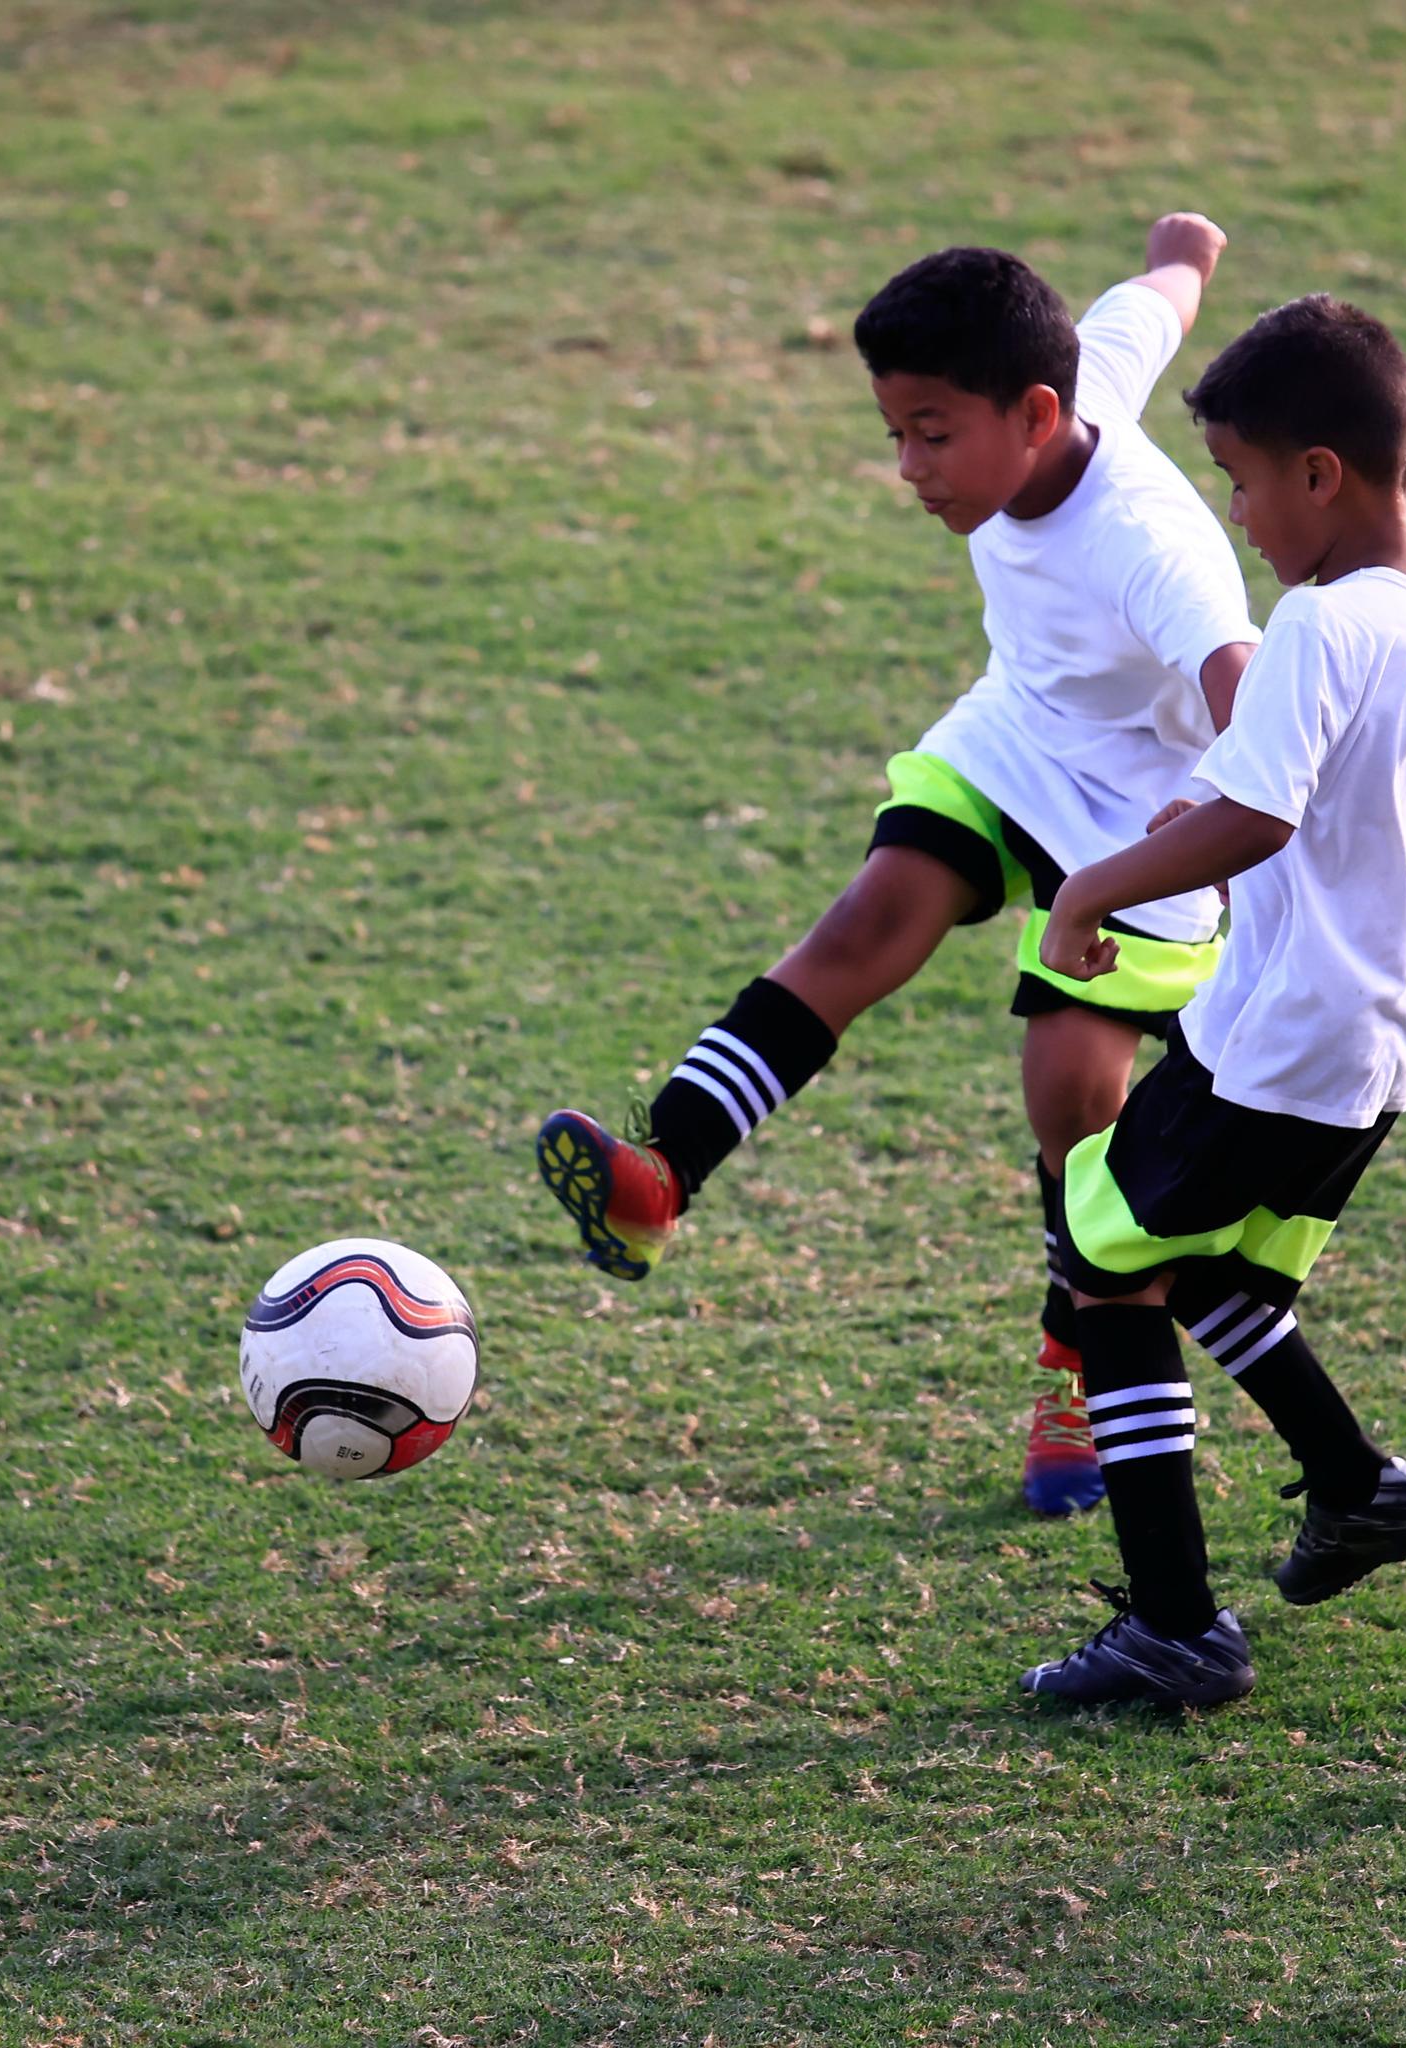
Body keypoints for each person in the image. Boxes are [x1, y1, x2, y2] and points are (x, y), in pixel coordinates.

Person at [535, 216, 1261, 1519]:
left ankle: (1079, 1367)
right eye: (895, 435)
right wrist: (1184, 256)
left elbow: (1252, 706)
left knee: (1070, 1100)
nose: (909, 468)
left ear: (1038, 415)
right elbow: (1144, 309)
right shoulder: (1069, 375)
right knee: (867, 924)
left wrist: (1217, 829)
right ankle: (659, 1177)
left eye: (933, 434)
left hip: (1148, 822)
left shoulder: (1151, 544)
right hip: (1018, 740)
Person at [1018, 295, 1406, 1707]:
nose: (1231, 510)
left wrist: (1092, 887)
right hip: (1373, 1053)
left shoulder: (1317, 622)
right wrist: (1217, 806)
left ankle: (1175, 1626)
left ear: (1319, 474)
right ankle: (1357, 1489)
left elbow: (1259, 825)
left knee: (1103, 1269)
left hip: (1271, 1045)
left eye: (1236, 476)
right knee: (1208, 1264)